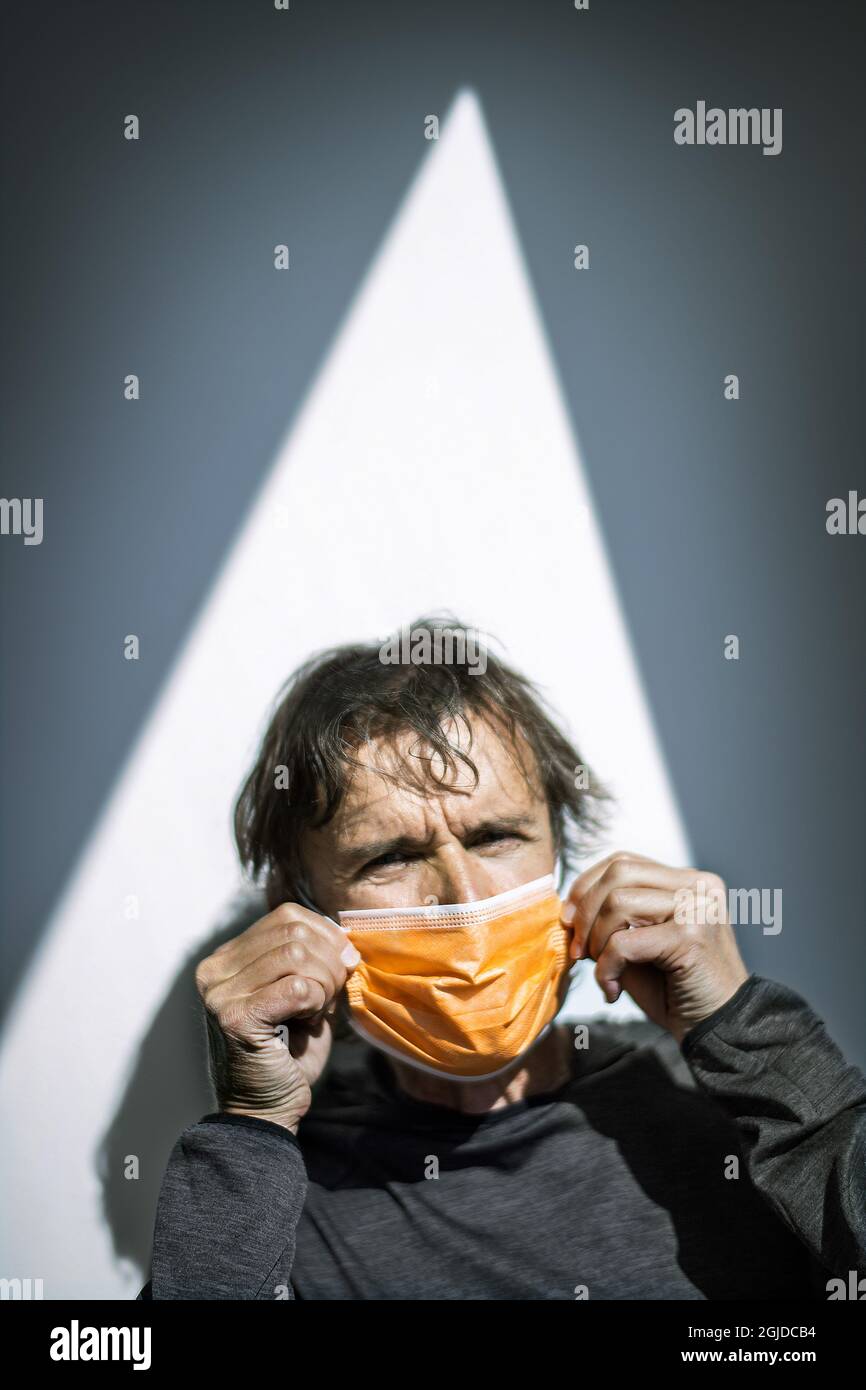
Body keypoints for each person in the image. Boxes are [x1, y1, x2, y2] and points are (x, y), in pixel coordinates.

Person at [139, 619, 865, 1300]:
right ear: (301, 909)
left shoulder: (720, 1096)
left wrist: (744, 1031)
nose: (461, 894)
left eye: (494, 838)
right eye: (392, 856)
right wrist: (253, 1128)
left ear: (561, 852)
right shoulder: (289, 1195)